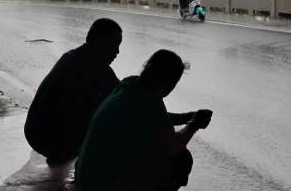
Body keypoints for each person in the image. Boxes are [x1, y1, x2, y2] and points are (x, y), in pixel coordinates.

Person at [76, 49, 213, 191]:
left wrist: (186, 117)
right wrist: (194, 124)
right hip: (101, 185)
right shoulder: (150, 101)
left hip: (86, 175)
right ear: (171, 82)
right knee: (180, 160)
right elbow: (173, 146)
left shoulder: (129, 84)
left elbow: (153, 118)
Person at [24, 18, 123, 167]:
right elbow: (127, 99)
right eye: (114, 45)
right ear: (99, 42)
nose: (117, 52)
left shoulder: (71, 56)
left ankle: (62, 151)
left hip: (34, 133)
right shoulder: (96, 69)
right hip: (49, 140)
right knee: (113, 119)